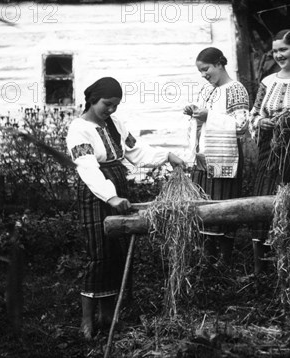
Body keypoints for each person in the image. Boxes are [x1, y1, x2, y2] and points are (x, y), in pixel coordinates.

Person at [66, 77, 184, 339]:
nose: (111, 110)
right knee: (98, 252)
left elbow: (136, 149)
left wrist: (166, 156)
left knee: (117, 251)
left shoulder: (115, 124)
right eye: (107, 104)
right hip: (96, 191)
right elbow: (87, 168)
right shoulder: (79, 130)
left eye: (116, 105)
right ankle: (86, 320)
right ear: (93, 99)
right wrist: (110, 197)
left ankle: (108, 315)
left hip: (118, 185)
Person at [249, 29, 290, 274]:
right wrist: (260, 123)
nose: (278, 55)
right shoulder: (268, 82)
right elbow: (255, 113)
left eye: (283, 49)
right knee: (263, 196)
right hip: (270, 149)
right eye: (275, 51)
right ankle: (261, 268)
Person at [183, 47, 249, 265]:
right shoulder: (207, 90)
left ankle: (225, 258)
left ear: (220, 64)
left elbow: (241, 126)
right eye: (200, 71)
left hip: (224, 155)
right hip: (204, 155)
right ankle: (207, 255)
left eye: (206, 69)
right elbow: (203, 118)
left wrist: (208, 115)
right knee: (203, 201)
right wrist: (194, 112)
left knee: (223, 201)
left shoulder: (236, 89)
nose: (204, 75)